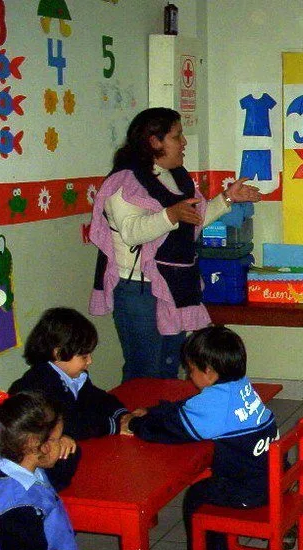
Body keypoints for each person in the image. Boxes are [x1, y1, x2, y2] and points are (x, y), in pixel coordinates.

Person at [88, 107, 260, 381]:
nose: (184, 142)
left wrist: (227, 199)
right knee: (145, 374)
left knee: (170, 370)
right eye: (177, 136)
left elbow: (193, 219)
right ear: (155, 142)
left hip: (175, 285)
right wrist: (171, 215)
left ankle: (165, 411)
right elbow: (132, 232)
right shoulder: (125, 181)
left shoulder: (177, 176)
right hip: (139, 290)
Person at [126, 326, 279, 550]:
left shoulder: (216, 403)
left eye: (191, 369)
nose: (188, 376)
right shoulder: (240, 386)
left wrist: (135, 424)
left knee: (197, 497)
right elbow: (190, 407)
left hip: (249, 491)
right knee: (209, 482)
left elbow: (171, 431)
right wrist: (155, 411)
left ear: (208, 372)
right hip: (273, 478)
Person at [0, 391, 128, 550]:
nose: (63, 443)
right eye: (59, 439)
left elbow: (61, 475)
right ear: (36, 445)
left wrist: (66, 447)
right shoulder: (18, 504)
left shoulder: (25, 467)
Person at [8, 307, 130, 490]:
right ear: (58, 353)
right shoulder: (39, 384)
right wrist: (112, 426)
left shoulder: (75, 376)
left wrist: (122, 415)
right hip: (36, 460)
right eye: (84, 356)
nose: (90, 361)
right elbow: (72, 424)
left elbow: (98, 398)